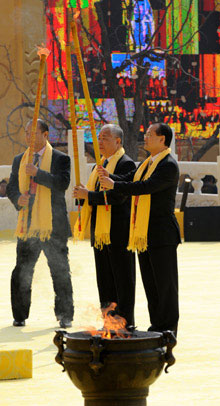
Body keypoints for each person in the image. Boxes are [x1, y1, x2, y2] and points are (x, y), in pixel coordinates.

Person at [98, 123, 181, 335]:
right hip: (144, 234)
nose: (145, 137)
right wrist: (111, 177)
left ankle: (168, 329)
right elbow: (131, 179)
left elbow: (145, 187)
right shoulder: (147, 163)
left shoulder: (168, 165)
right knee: (151, 285)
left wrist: (114, 185)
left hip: (162, 234)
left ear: (162, 139)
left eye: (149, 134)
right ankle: (156, 326)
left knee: (165, 286)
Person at [6, 119, 74, 328]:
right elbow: (11, 188)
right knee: (22, 270)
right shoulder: (20, 159)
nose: (29, 137)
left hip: (53, 224)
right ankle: (20, 314)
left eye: (33, 133)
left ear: (45, 135)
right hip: (27, 224)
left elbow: (62, 184)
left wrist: (38, 174)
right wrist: (18, 198)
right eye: (26, 133)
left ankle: (65, 315)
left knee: (59, 270)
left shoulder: (60, 159)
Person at [73, 124, 136, 326]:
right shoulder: (98, 167)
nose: (100, 142)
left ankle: (125, 322)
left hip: (118, 232)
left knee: (122, 280)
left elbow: (118, 197)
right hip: (100, 233)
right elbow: (93, 198)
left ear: (118, 141)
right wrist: (83, 195)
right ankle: (109, 322)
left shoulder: (126, 164)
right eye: (99, 138)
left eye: (105, 138)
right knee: (105, 280)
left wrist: (89, 195)